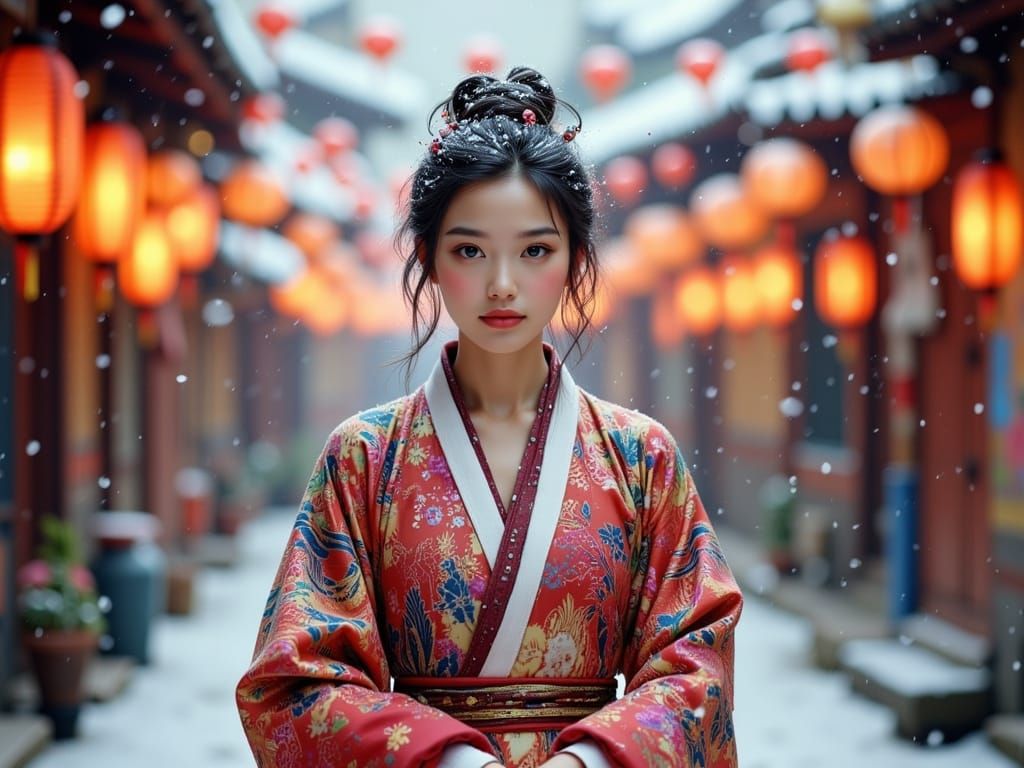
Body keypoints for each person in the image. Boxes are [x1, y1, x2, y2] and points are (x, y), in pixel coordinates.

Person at [236, 66, 743, 768]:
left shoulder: (640, 456)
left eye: (535, 250)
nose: (502, 283)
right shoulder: (363, 457)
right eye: (470, 250)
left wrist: (593, 757)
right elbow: (297, 679)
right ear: (430, 260)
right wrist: (445, 756)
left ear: (573, 261)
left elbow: (697, 664)